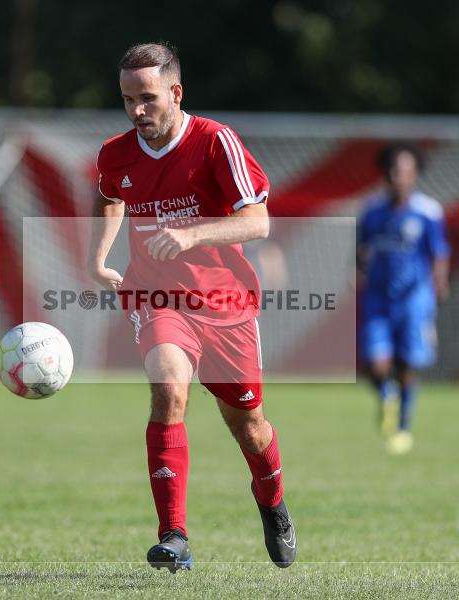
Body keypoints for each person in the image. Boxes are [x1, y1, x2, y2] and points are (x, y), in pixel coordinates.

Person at [89, 42, 295, 572]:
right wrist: (98, 256)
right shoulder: (117, 152)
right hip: (156, 297)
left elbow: (258, 221)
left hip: (225, 304)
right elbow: (110, 193)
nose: (138, 111)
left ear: (176, 93)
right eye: (128, 99)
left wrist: (190, 235)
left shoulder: (215, 142)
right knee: (168, 388)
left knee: (249, 424)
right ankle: (174, 537)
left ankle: (273, 504)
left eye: (149, 98)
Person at [357, 143, 450, 455]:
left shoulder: (428, 212)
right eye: (395, 170)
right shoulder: (371, 211)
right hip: (378, 299)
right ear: (386, 173)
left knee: (408, 364)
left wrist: (440, 284)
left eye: (406, 171)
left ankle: (403, 426)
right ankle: (387, 396)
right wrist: (357, 272)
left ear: (416, 175)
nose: (400, 176)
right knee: (376, 363)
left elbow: (439, 253)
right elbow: (361, 250)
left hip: (414, 299)